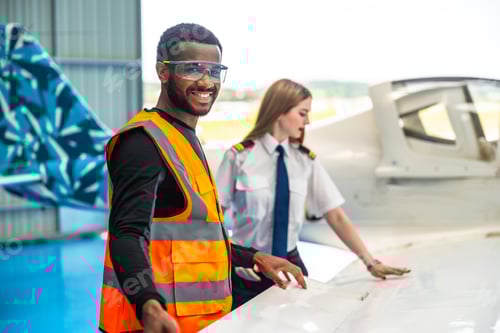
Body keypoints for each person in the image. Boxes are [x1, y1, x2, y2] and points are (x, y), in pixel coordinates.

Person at [98, 25, 306, 333]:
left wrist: (258, 257)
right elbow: (126, 236)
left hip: (200, 323)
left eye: (214, 70)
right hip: (155, 325)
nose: (206, 81)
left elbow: (197, 242)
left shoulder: (183, 137)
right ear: (163, 72)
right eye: (192, 69)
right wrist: (148, 305)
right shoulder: (143, 142)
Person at [215, 79, 411, 309]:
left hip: (291, 270)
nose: (307, 121)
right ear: (280, 111)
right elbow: (216, 217)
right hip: (247, 273)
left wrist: (370, 262)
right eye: (302, 113)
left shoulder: (304, 161)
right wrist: (234, 259)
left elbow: (335, 215)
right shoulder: (239, 157)